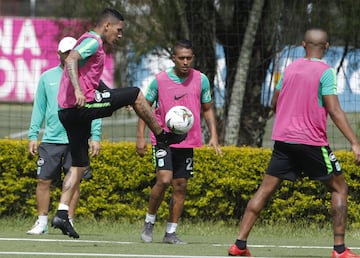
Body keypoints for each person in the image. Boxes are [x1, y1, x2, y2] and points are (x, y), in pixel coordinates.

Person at [51, 8, 186, 239]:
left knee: (79, 164)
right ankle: (162, 136)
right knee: (134, 92)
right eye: (119, 30)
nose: (120, 35)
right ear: (107, 26)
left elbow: (91, 78)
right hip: (80, 106)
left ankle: (62, 214)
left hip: (66, 111)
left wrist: (111, 95)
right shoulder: (93, 41)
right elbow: (72, 59)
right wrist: (78, 90)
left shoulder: (89, 41)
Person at [228, 27, 360, 257]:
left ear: (303, 45)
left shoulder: (289, 68)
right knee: (340, 187)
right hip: (311, 142)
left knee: (265, 190)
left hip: (283, 140)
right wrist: (355, 142)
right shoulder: (326, 72)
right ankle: (340, 249)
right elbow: (335, 109)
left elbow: (274, 103)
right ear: (327, 47)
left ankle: (239, 244)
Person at [136, 39, 222, 244]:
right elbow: (143, 107)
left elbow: (208, 109)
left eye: (189, 58)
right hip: (163, 139)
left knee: (181, 185)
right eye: (181, 58)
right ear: (173, 58)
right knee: (164, 180)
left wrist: (214, 136)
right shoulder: (159, 80)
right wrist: (140, 137)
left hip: (188, 140)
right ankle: (149, 221)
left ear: (193, 58)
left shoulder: (201, 80)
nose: (185, 61)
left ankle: (171, 232)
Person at [26, 37, 102, 235]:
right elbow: (39, 108)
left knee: (74, 181)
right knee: (43, 180)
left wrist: (96, 135)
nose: (69, 56)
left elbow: (96, 107)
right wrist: (33, 135)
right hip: (51, 139)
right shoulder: (47, 77)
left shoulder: (85, 77)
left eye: (72, 52)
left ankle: (69, 220)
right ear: (58, 54)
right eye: (65, 53)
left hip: (76, 138)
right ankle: (41, 222)